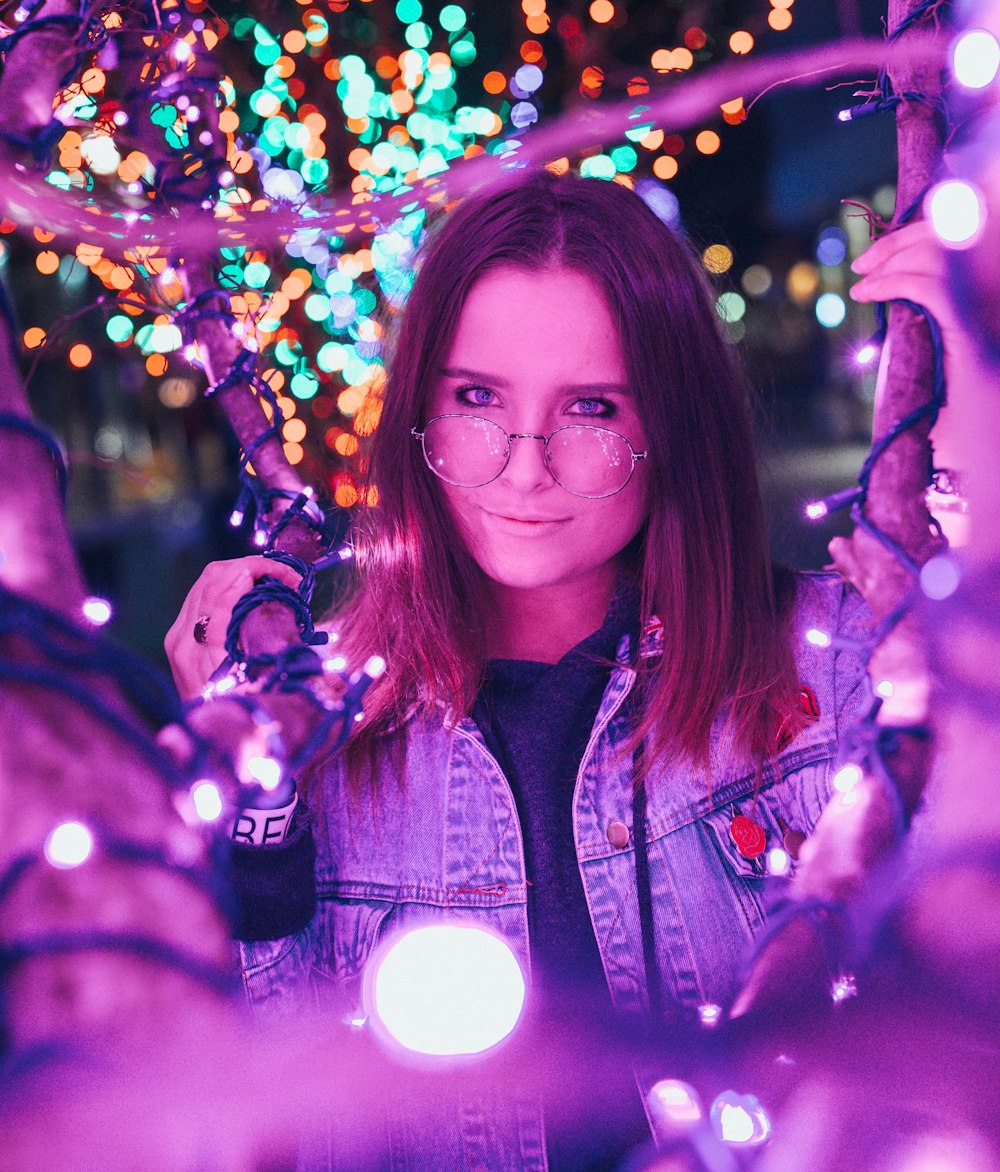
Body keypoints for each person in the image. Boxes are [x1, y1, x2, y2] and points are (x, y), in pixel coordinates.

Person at [166, 171, 962, 1171]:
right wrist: (244, 799)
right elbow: (251, 1100)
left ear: (667, 428)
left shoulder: (841, 666)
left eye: (589, 407)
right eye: (475, 399)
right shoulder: (319, 734)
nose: (525, 465)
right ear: (416, 414)